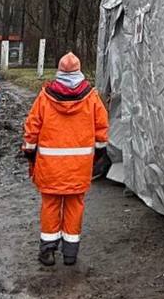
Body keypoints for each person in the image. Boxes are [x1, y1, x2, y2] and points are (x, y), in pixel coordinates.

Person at [23, 52, 109, 266]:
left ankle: (48, 252)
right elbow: (102, 131)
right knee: (74, 206)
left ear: (59, 72)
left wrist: (29, 153)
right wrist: (97, 156)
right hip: (79, 167)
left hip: (50, 167)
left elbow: (32, 129)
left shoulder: (45, 97)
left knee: (50, 205)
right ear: (79, 71)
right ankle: (70, 254)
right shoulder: (91, 98)